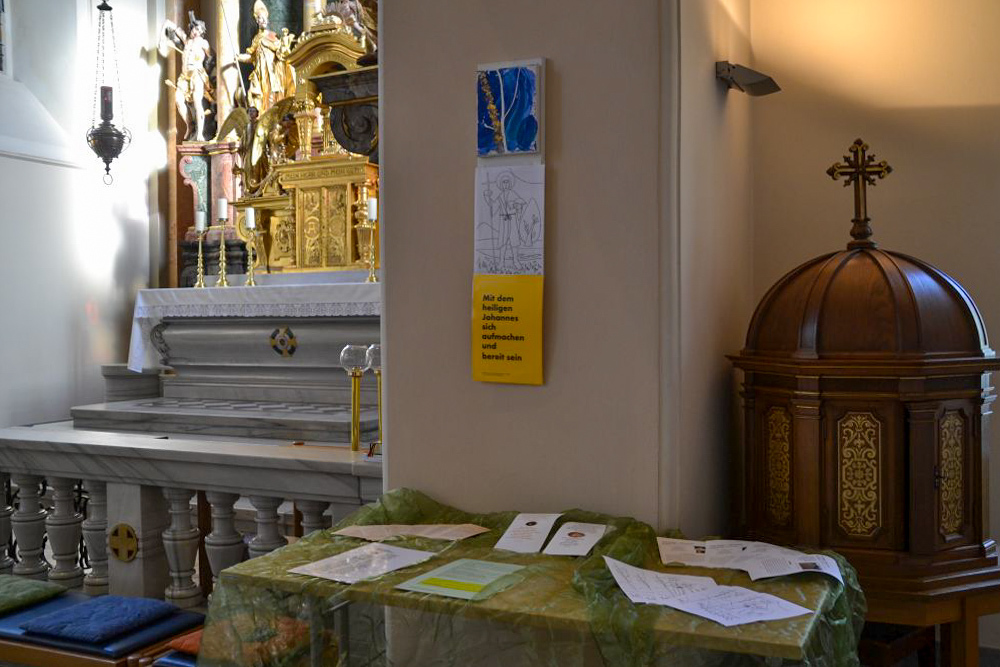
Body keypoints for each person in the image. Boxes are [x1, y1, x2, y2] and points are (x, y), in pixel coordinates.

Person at [162, 13, 213, 141]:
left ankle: (200, 133)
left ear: (202, 33)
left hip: (196, 74)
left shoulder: (203, 42)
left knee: (197, 102)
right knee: (178, 100)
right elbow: (173, 26)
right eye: (196, 29)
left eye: (200, 31)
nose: (197, 32)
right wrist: (165, 28)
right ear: (192, 28)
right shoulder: (186, 40)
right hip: (184, 76)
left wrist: (206, 60)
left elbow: (211, 56)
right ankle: (189, 125)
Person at [239, 0, 288, 114]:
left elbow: (281, 52)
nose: (264, 20)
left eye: (265, 18)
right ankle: (261, 116)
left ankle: (272, 117)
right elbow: (251, 57)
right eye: (261, 18)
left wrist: (284, 46)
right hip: (260, 73)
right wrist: (239, 57)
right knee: (258, 95)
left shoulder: (272, 35)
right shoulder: (256, 39)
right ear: (257, 21)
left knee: (272, 95)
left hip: (272, 71)